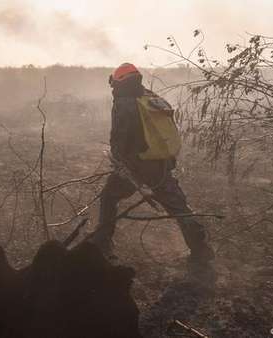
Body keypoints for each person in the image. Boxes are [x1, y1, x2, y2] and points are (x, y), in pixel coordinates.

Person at [89, 63, 214, 271]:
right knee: (179, 207)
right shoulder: (151, 97)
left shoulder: (124, 102)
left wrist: (119, 163)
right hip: (161, 164)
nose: (112, 88)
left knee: (109, 198)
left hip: (135, 166)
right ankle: (201, 250)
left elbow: (120, 138)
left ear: (119, 81)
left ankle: (102, 244)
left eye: (113, 84)